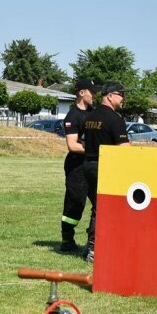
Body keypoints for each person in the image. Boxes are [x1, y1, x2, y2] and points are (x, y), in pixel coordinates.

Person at [82, 81, 131, 263]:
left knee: (97, 207)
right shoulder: (115, 119)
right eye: (121, 94)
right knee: (103, 208)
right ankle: (94, 250)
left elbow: (84, 142)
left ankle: (90, 245)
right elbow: (124, 149)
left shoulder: (90, 117)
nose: (123, 98)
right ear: (110, 96)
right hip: (105, 168)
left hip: (88, 165)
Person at [59, 78, 97, 253]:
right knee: (76, 203)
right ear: (82, 93)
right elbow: (73, 145)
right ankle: (67, 240)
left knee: (100, 203)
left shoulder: (94, 113)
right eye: (92, 92)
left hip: (93, 164)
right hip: (77, 167)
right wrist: (95, 149)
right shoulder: (72, 116)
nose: (94, 95)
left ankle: (94, 241)